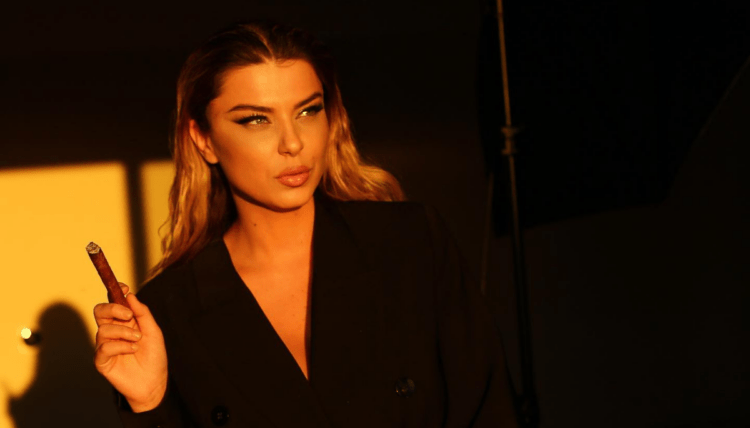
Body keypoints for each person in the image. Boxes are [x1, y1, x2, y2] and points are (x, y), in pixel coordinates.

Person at [92, 21, 518, 427]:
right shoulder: (171, 309)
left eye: (308, 111)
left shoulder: (409, 244)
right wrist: (149, 405)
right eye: (257, 119)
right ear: (204, 139)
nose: (293, 143)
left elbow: (490, 411)